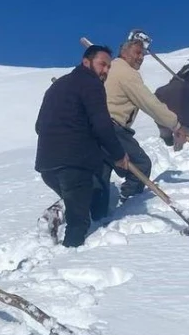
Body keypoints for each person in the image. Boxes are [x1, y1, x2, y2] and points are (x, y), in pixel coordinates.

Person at [34, 44, 130, 246]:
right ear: (86, 62)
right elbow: (102, 125)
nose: (105, 71)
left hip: (47, 165)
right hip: (74, 163)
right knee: (79, 223)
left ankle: (56, 213)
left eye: (109, 67)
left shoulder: (57, 86)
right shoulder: (91, 84)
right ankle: (68, 261)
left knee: (82, 199)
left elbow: (38, 125)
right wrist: (119, 155)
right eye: (102, 64)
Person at [102, 37, 189, 208]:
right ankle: (125, 204)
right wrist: (176, 125)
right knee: (141, 165)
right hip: (112, 127)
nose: (141, 57)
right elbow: (149, 103)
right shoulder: (126, 73)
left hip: (96, 128)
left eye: (142, 54)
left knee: (100, 176)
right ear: (124, 53)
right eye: (137, 52)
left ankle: (76, 210)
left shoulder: (111, 69)